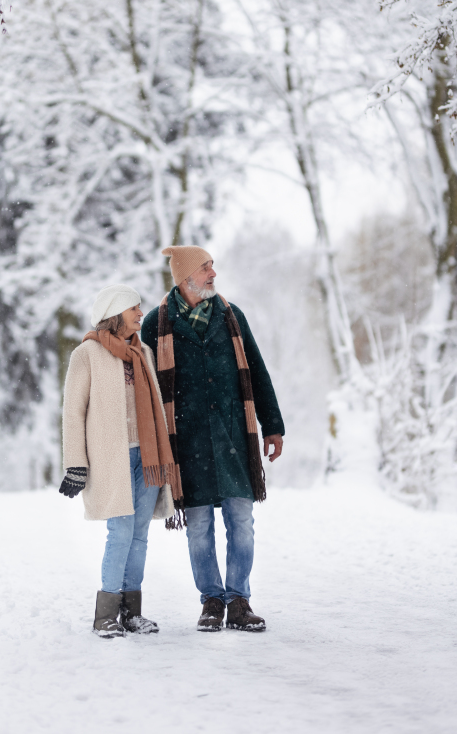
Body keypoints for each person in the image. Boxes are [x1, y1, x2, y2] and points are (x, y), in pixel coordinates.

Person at [142, 246, 284, 633]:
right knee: (200, 524)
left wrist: (273, 425)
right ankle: (211, 601)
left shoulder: (230, 315)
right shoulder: (155, 325)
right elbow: (147, 390)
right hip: (187, 445)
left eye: (212, 267)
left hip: (233, 438)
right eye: (206, 268)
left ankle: (239, 600)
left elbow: (256, 369)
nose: (213, 274)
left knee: (242, 519)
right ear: (185, 277)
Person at [59, 283, 182, 639]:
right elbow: (73, 413)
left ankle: (131, 613)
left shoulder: (142, 350)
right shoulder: (88, 354)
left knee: (140, 534)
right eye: (134, 309)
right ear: (115, 313)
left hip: (148, 457)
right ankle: (107, 614)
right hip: (112, 458)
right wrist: (76, 464)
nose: (141, 314)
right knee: (121, 532)